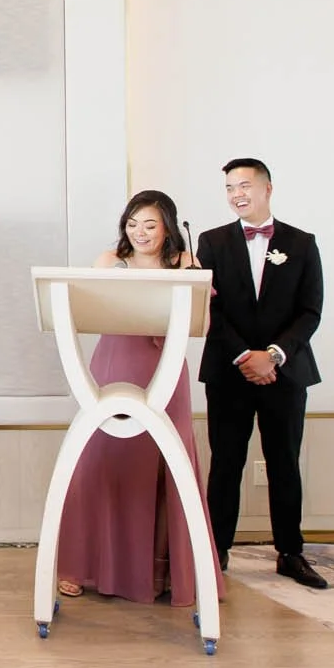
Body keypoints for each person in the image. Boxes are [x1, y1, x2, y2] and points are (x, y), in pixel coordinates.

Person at [54, 191, 221, 609]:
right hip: (115, 363)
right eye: (132, 224)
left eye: (149, 224)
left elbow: (203, 322)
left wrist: (195, 281)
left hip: (166, 367)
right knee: (101, 460)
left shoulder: (185, 263)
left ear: (168, 227)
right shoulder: (110, 261)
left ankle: (163, 573)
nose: (140, 233)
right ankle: (83, 567)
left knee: (170, 462)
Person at [196, 157, 328, 589]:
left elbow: (310, 310)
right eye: (230, 187)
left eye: (245, 185)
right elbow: (208, 307)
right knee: (225, 463)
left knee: (284, 462)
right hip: (228, 371)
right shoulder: (211, 242)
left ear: (267, 188)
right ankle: (216, 551)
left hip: (284, 373)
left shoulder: (301, 243)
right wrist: (244, 356)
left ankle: (291, 552)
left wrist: (272, 355)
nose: (237, 194)